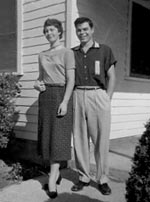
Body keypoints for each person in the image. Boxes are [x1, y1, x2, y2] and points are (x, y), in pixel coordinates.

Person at [71, 17, 116, 195]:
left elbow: (112, 76)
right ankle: (83, 176)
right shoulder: (72, 52)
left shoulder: (104, 50)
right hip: (77, 95)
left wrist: (107, 98)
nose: (82, 33)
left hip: (98, 95)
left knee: (101, 141)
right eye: (79, 30)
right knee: (80, 139)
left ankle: (102, 179)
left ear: (92, 29)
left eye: (85, 29)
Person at [34, 18, 75, 199]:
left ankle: (52, 179)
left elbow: (71, 80)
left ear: (59, 31)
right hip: (46, 97)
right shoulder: (42, 54)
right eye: (46, 31)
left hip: (61, 95)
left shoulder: (67, 52)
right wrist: (37, 85)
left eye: (51, 30)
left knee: (59, 137)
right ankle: (55, 174)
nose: (48, 33)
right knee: (49, 136)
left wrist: (65, 102)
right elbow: (40, 77)